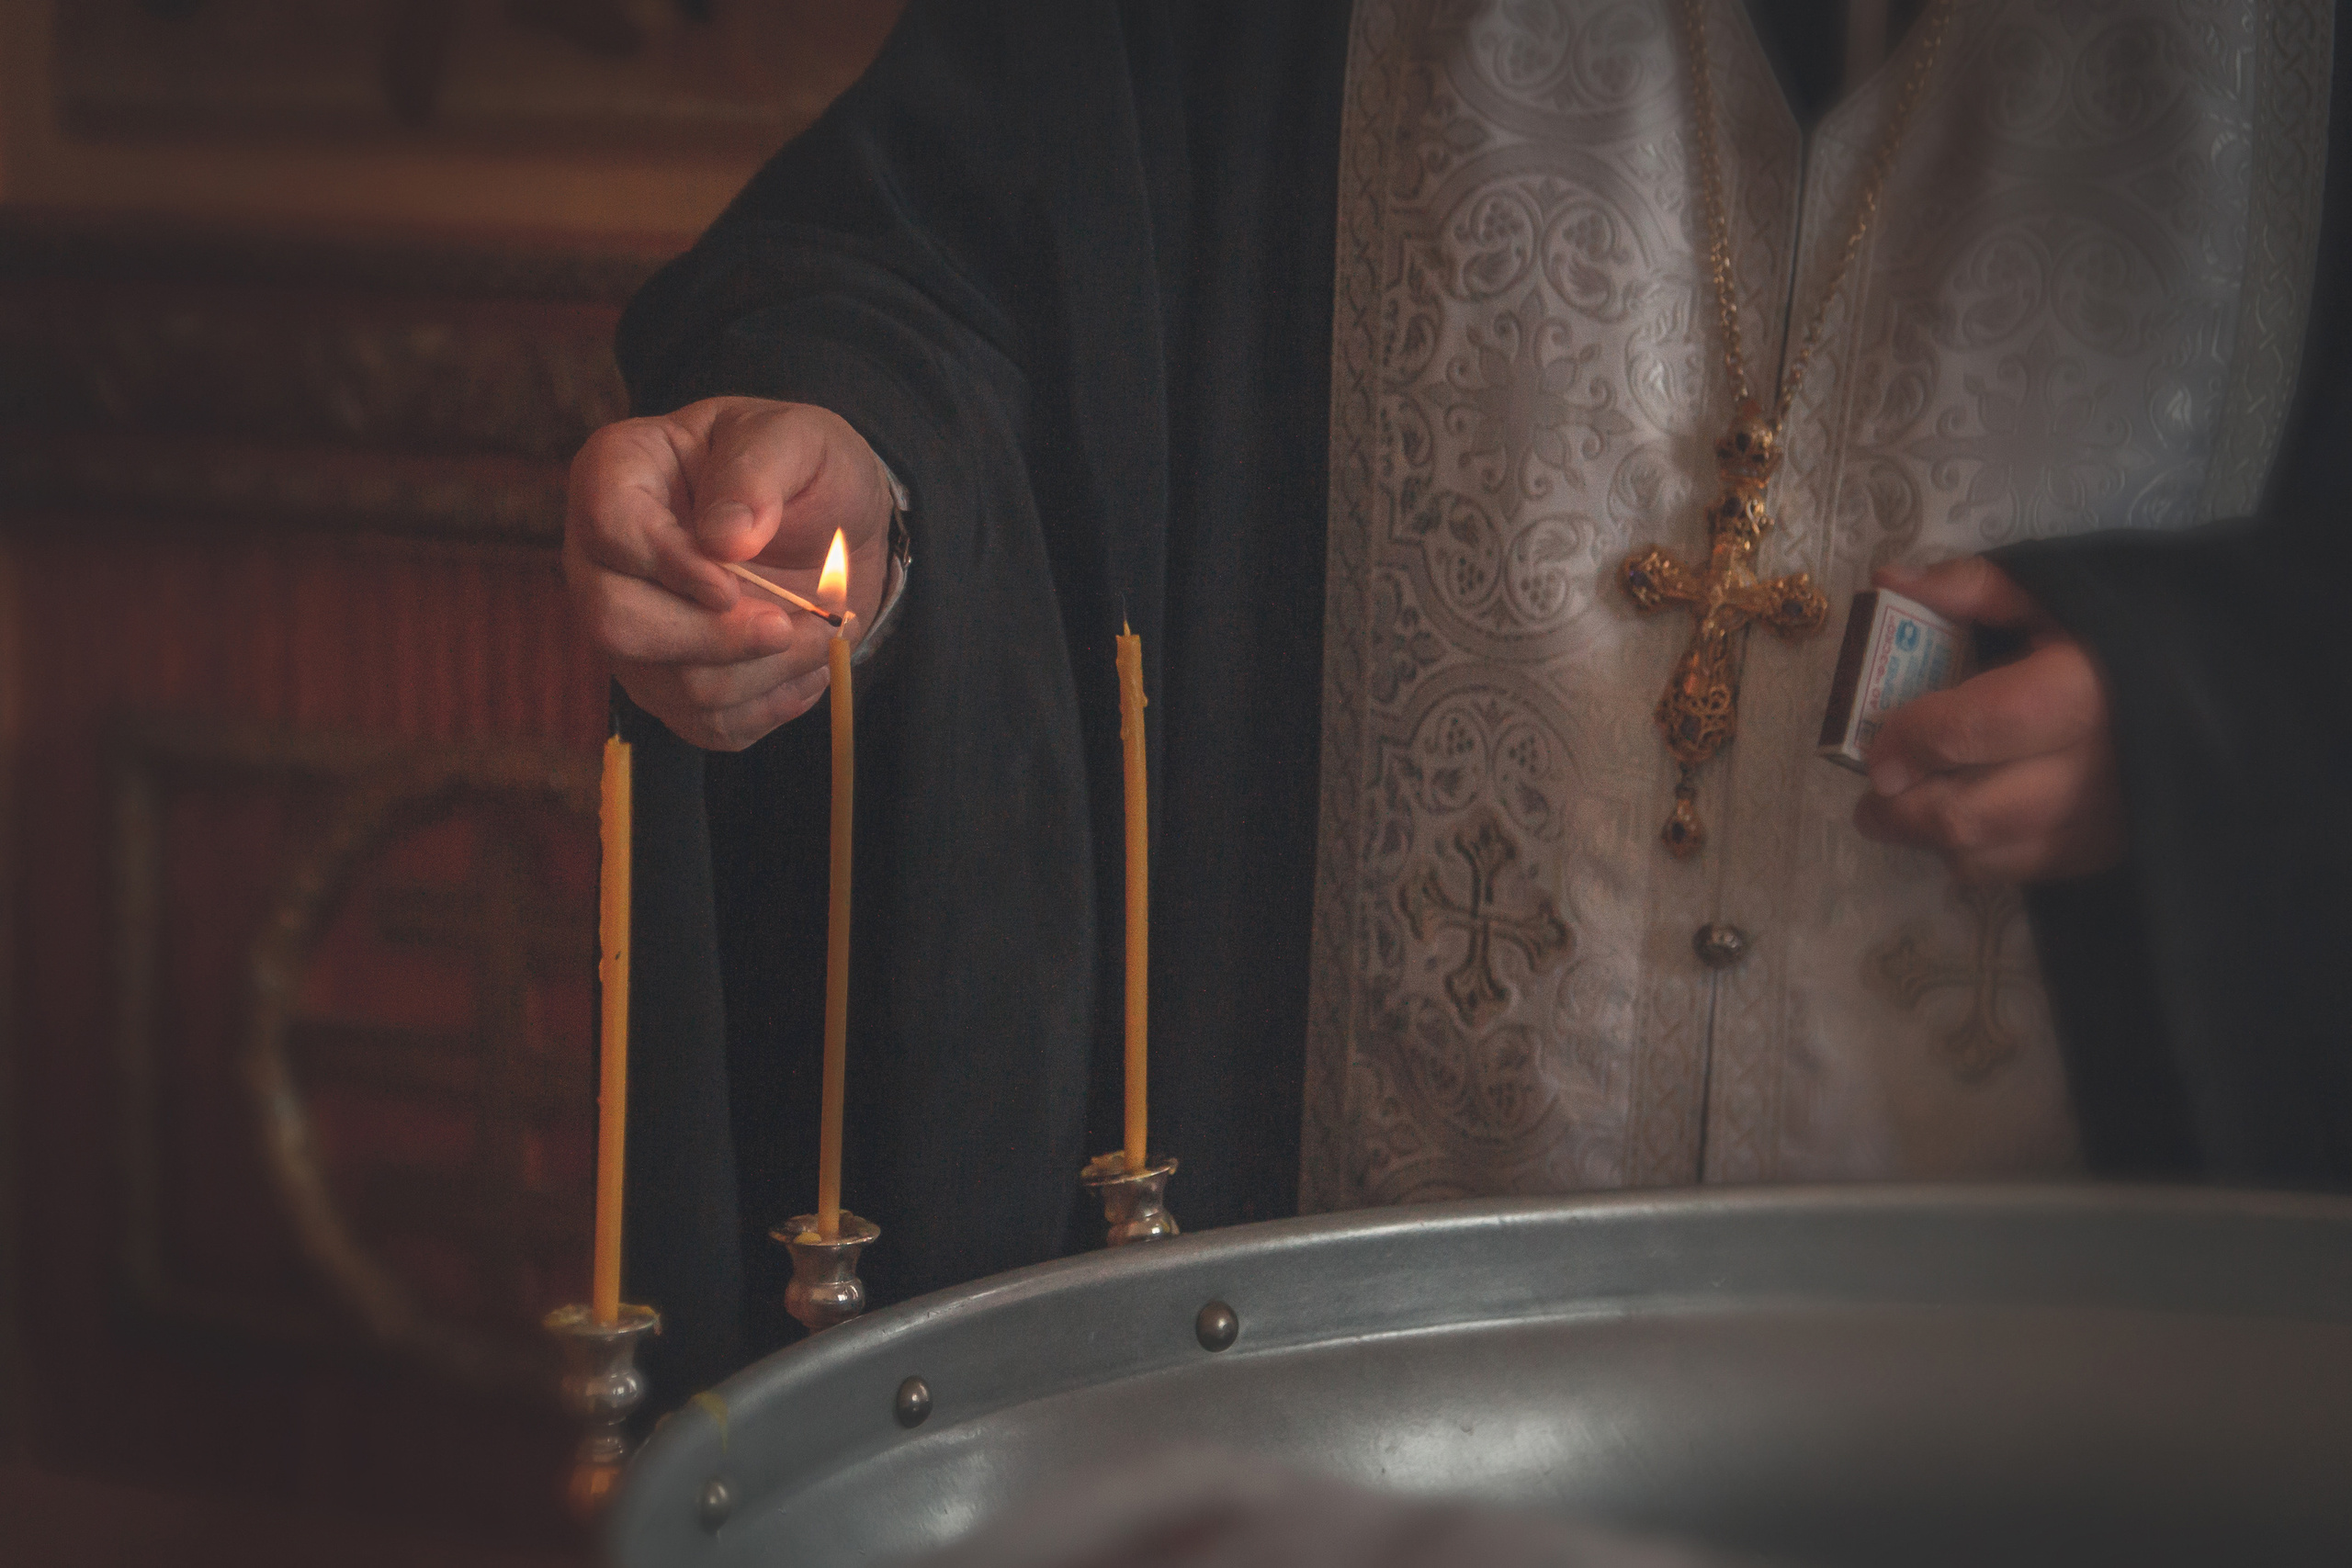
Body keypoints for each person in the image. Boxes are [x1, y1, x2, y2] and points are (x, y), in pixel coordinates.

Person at [563, 0, 2352, 1400]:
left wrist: (2224, 715)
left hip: (2069, 1369)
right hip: (1336, 1353)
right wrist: (851, 481)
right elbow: (933, 256)